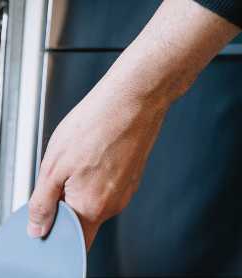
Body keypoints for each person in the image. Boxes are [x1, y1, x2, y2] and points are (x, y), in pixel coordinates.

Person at [27, 0, 241, 247]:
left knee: (164, 244)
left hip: (200, 24)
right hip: (82, 20)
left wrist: (137, 95)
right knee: (77, 227)